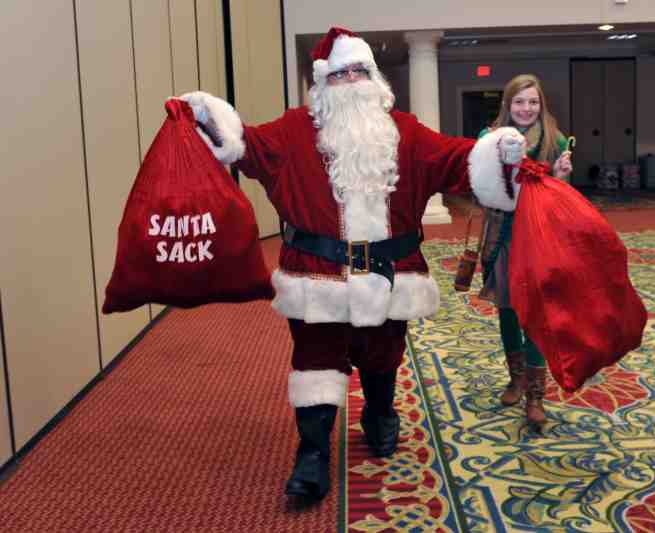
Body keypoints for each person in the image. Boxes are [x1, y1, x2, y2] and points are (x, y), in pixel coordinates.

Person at [178, 27, 530, 502]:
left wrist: (497, 154)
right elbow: (245, 145)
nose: (351, 82)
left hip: (391, 275)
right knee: (315, 361)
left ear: (374, 78)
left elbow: (458, 160)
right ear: (323, 84)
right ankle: (313, 453)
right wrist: (205, 117)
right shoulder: (292, 131)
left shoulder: (405, 131)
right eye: (339, 74)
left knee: (383, 352)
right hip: (316, 277)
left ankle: (380, 411)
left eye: (359, 72)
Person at [477, 74, 572, 428]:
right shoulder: (489, 138)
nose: (526, 108)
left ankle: (535, 395)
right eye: (520, 101)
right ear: (508, 104)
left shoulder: (554, 138)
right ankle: (515, 378)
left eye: (533, 102)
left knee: (535, 310)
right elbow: (478, 185)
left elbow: (559, 193)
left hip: (539, 234)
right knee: (507, 307)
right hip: (501, 232)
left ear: (541, 104)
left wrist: (561, 175)